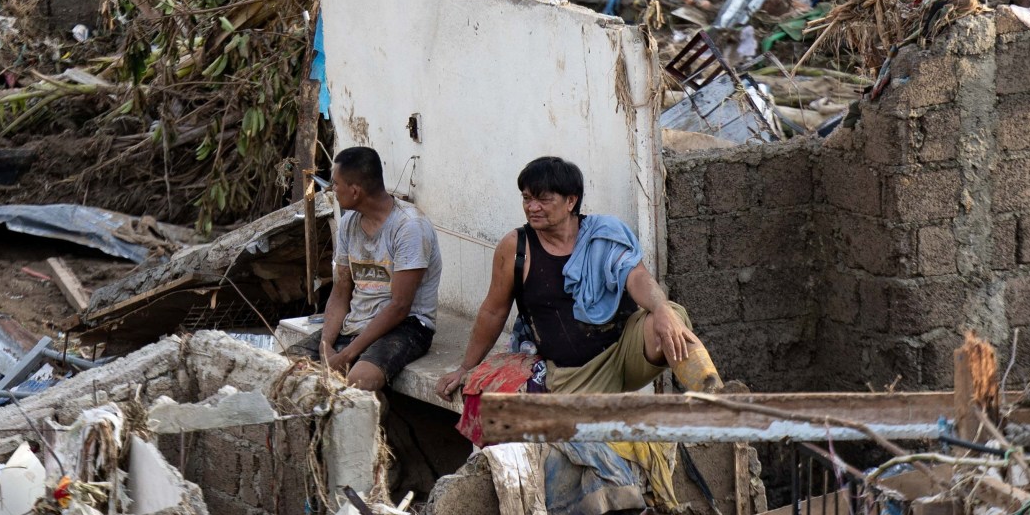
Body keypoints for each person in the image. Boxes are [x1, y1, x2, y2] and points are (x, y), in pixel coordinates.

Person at [436, 155, 719, 400]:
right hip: (570, 377)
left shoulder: (603, 234)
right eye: (527, 198)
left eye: (543, 199)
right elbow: (493, 311)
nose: (532, 207)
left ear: (571, 201)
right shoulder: (515, 247)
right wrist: (465, 368)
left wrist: (661, 309)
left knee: (673, 316)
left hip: (622, 355)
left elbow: (638, 277)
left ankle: (715, 395)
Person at [290, 146, 442, 393]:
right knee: (287, 368)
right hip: (357, 322)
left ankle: (378, 425)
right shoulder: (350, 221)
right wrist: (326, 345)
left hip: (407, 326)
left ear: (355, 190)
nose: (332, 189)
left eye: (336, 184)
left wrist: (347, 354)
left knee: (358, 383)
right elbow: (340, 291)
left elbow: (400, 306)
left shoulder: (409, 227)